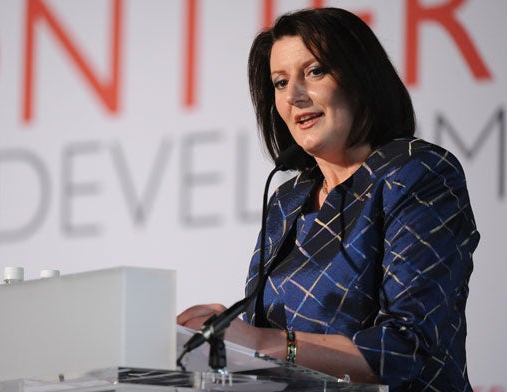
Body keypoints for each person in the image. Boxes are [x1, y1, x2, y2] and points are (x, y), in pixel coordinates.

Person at [177, 7, 480, 391]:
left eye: (315, 71)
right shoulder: (289, 200)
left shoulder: (415, 171)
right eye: (281, 82)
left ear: (361, 78)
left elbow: (406, 347)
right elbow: (267, 346)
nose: (295, 96)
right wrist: (222, 334)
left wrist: (264, 343)